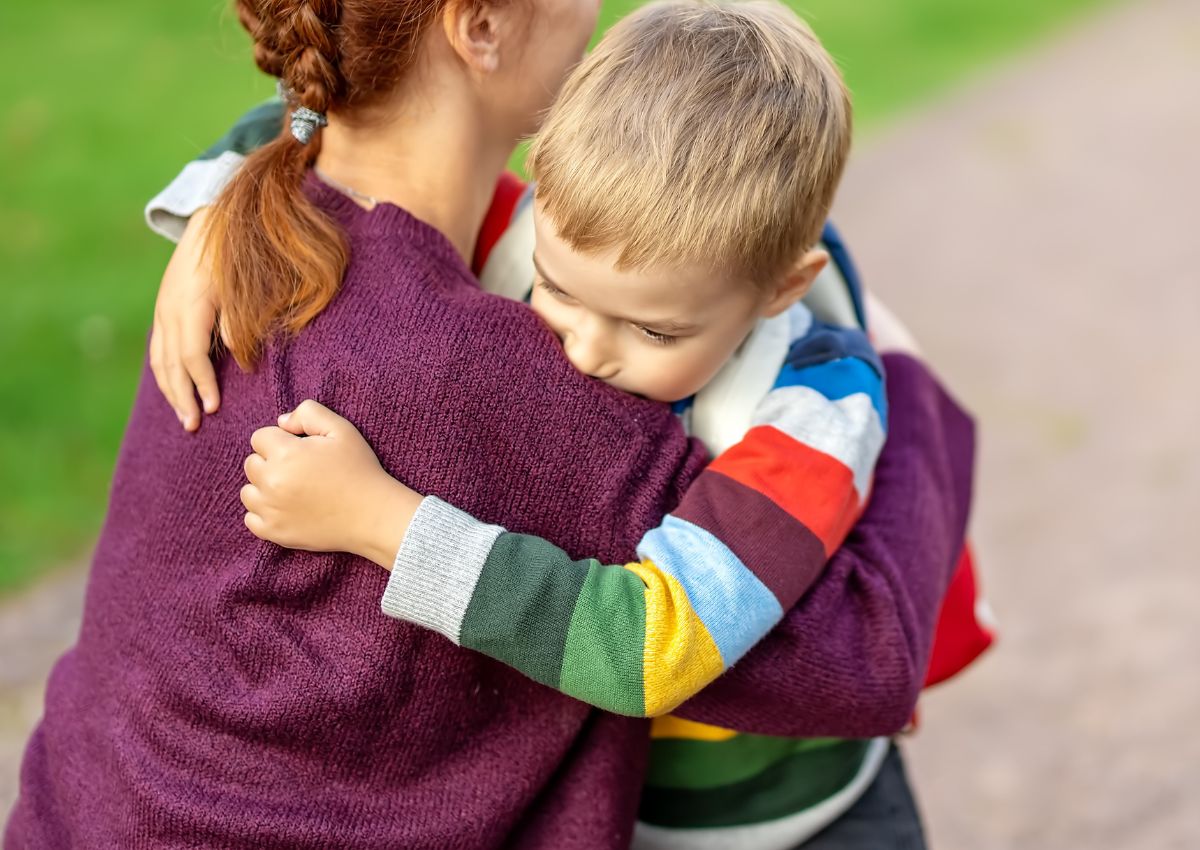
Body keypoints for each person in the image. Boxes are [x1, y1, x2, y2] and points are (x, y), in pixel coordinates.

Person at [6, 3, 974, 850]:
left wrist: (237, 175)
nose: (587, 351)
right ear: (479, 24)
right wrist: (897, 373)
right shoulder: (491, 374)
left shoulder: (262, 229)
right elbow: (865, 655)